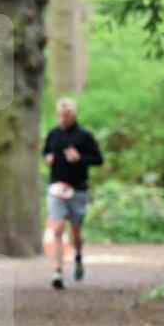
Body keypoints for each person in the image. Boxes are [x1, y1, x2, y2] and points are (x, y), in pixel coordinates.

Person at [42, 98, 103, 290]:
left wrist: (80, 159)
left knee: (75, 231)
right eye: (60, 114)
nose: (63, 118)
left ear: (73, 115)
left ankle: (77, 255)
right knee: (58, 229)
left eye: (66, 115)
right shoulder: (53, 134)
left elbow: (99, 159)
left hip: (78, 190)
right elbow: (45, 152)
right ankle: (58, 271)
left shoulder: (84, 136)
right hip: (56, 189)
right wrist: (47, 158)